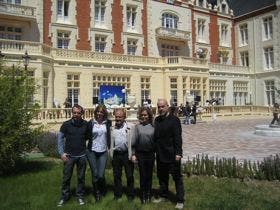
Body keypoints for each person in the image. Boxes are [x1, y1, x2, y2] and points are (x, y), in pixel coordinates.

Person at [153, 99, 185, 210]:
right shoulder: (157, 120)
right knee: (162, 177)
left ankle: (180, 200)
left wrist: (178, 153)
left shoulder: (174, 120)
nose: (161, 109)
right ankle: (163, 195)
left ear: (168, 106)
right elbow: (155, 138)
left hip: (172, 155)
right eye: (159, 107)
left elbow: (177, 138)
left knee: (177, 178)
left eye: (163, 106)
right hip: (160, 154)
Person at [57, 104, 88, 207]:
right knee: (66, 177)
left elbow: (89, 138)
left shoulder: (85, 124)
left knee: (81, 178)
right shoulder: (66, 124)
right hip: (69, 156)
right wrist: (61, 153)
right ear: (72, 113)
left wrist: (87, 151)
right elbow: (60, 139)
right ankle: (64, 197)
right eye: (74, 112)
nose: (76, 114)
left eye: (78, 113)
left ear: (81, 114)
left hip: (82, 156)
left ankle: (80, 196)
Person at [86, 104, 112, 201]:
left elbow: (110, 135)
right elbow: (85, 135)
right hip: (91, 151)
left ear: (104, 113)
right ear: (95, 112)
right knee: (95, 173)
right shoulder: (91, 123)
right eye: (98, 111)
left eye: (101, 112)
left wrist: (110, 148)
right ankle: (97, 193)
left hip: (103, 151)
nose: (99, 113)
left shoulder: (108, 123)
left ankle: (102, 187)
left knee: (100, 174)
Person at [110, 108, 135, 201]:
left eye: (120, 117)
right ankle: (118, 194)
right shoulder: (112, 128)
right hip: (116, 154)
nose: (118, 119)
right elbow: (111, 142)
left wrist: (133, 153)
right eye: (116, 117)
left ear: (124, 117)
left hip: (126, 154)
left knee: (129, 175)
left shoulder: (130, 127)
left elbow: (134, 142)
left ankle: (131, 195)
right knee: (116, 175)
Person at [131, 107, 155, 204]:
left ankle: (148, 193)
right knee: (142, 175)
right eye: (142, 115)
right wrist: (133, 154)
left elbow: (155, 141)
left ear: (149, 116)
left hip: (150, 154)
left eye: (145, 115)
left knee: (149, 175)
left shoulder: (153, 127)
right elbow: (134, 141)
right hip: (140, 154)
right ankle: (143, 194)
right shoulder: (138, 127)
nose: (144, 116)